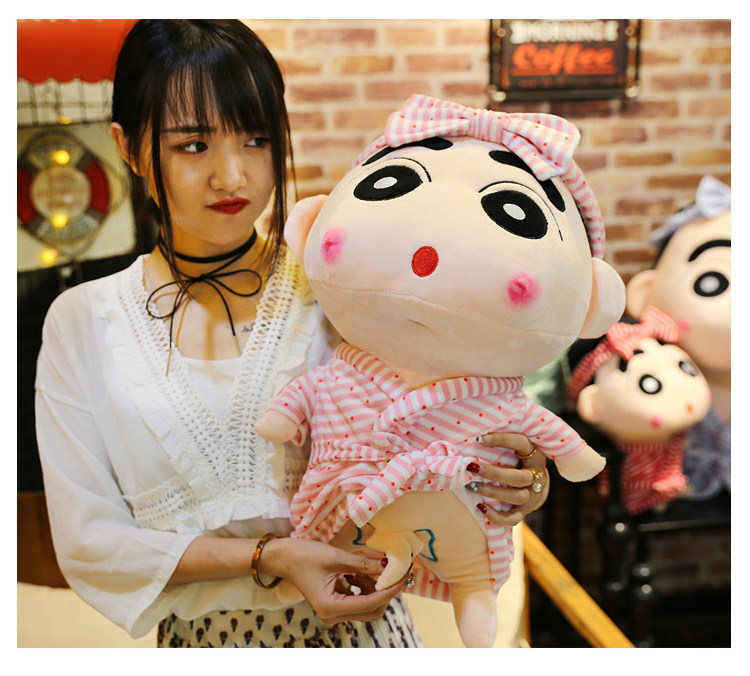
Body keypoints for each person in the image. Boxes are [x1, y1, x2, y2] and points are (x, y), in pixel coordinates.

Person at [34, 19, 549, 648]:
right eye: (193, 145)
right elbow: (89, 541)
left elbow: (443, 428)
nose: (232, 176)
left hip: (365, 638)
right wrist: (270, 558)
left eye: (256, 139)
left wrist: (519, 478)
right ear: (129, 146)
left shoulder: (342, 288)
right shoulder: (82, 322)